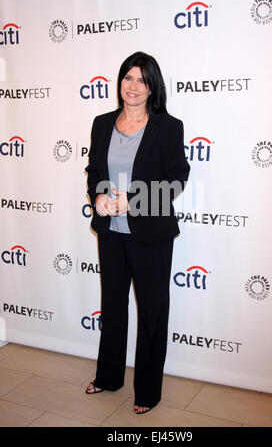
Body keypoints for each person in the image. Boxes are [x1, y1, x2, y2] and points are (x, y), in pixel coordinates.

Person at [85, 51, 190, 414]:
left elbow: (178, 178)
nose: (133, 86)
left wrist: (135, 201)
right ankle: (108, 377)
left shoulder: (168, 126)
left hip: (150, 234)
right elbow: (94, 170)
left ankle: (147, 392)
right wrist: (98, 196)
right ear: (120, 82)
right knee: (112, 307)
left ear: (152, 87)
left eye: (142, 80)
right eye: (128, 78)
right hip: (111, 233)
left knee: (152, 312)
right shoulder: (101, 123)